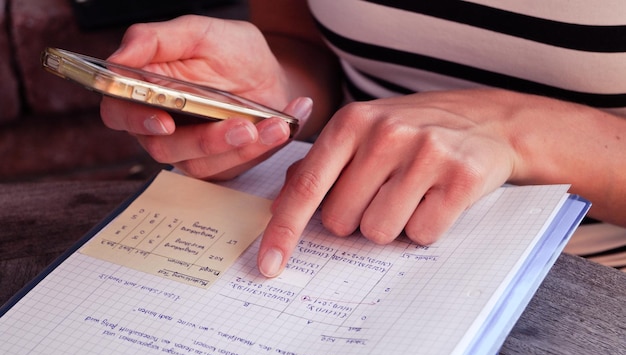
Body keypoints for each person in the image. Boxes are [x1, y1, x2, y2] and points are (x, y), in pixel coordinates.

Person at [100, 1, 626, 277]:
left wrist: (514, 129)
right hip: (342, 242)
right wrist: (271, 104)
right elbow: (302, 47)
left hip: (590, 276)